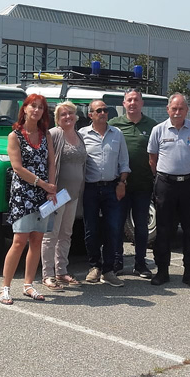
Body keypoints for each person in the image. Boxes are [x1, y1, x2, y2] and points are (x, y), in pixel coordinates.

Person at [0, 94, 57, 304]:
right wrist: (43, 184)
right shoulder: (15, 136)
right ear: (24, 109)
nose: (37, 110)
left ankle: (28, 285)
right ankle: (5, 287)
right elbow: (17, 168)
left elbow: (51, 162)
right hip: (23, 193)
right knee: (19, 241)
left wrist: (51, 189)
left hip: (43, 195)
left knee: (37, 240)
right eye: (33, 106)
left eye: (41, 107)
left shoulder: (45, 134)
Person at [147, 93, 190, 287]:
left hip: (188, 184)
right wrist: (162, 178)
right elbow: (152, 159)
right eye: (174, 108)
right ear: (168, 109)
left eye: (181, 108)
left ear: (187, 111)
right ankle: (162, 271)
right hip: (165, 184)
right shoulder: (158, 130)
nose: (177, 112)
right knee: (164, 230)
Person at [79, 99, 130, 287]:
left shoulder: (117, 134)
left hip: (112, 187)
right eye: (98, 110)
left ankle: (109, 271)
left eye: (105, 110)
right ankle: (95, 267)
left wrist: (122, 182)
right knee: (91, 230)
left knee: (113, 229)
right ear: (90, 114)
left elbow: (124, 162)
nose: (103, 113)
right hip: (90, 188)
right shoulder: (81, 135)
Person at [108, 88, 157, 279]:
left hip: (143, 185)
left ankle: (140, 263)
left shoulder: (152, 126)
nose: (132, 103)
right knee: (117, 225)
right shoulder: (114, 124)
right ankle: (117, 262)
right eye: (129, 100)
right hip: (119, 185)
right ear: (124, 103)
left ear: (142, 103)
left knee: (142, 227)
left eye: (136, 100)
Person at [41, 102, 87, 290]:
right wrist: (48, 189)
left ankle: (61, 270)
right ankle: (47, 275)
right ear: (57, 119)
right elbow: (45, 162)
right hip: (57, 194)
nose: (67, 117)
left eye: (70, 113)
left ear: (76, 116)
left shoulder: (79, 135)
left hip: (73, 194)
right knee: (50, 235)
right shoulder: (54, 134)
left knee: (66, 234)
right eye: (63, 115)